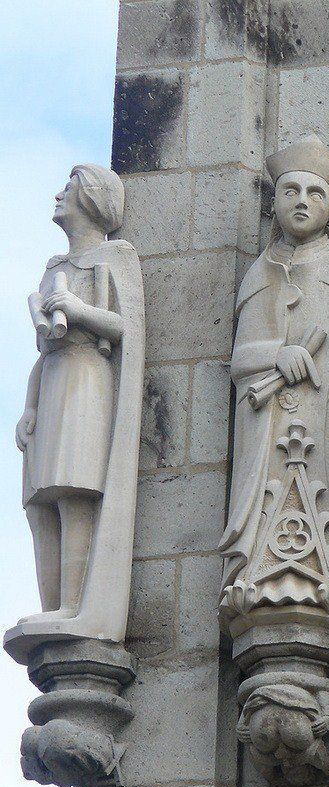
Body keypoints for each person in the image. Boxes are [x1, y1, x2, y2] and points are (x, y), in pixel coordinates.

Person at [219, 135, 329, 611]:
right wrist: (277, 353)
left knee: (323, 495)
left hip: (320, 431)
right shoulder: (258, 273)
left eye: (314, 193)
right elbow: (239, 361)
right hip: (264, 431)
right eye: (291, 191)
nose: (302, 201)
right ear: (275, 203)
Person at [15, 165, 144, 635]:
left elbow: (124, 326)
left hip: (88, 379)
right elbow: (42, 352)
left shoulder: (115, 256)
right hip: (53, 380)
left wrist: (76, 309)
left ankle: (75, 605)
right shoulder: (54, 267)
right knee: (39, 501)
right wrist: (29, 406)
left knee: (73, 490)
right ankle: (53, 605)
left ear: (91, 198)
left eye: (67, 187)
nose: (58, 194)